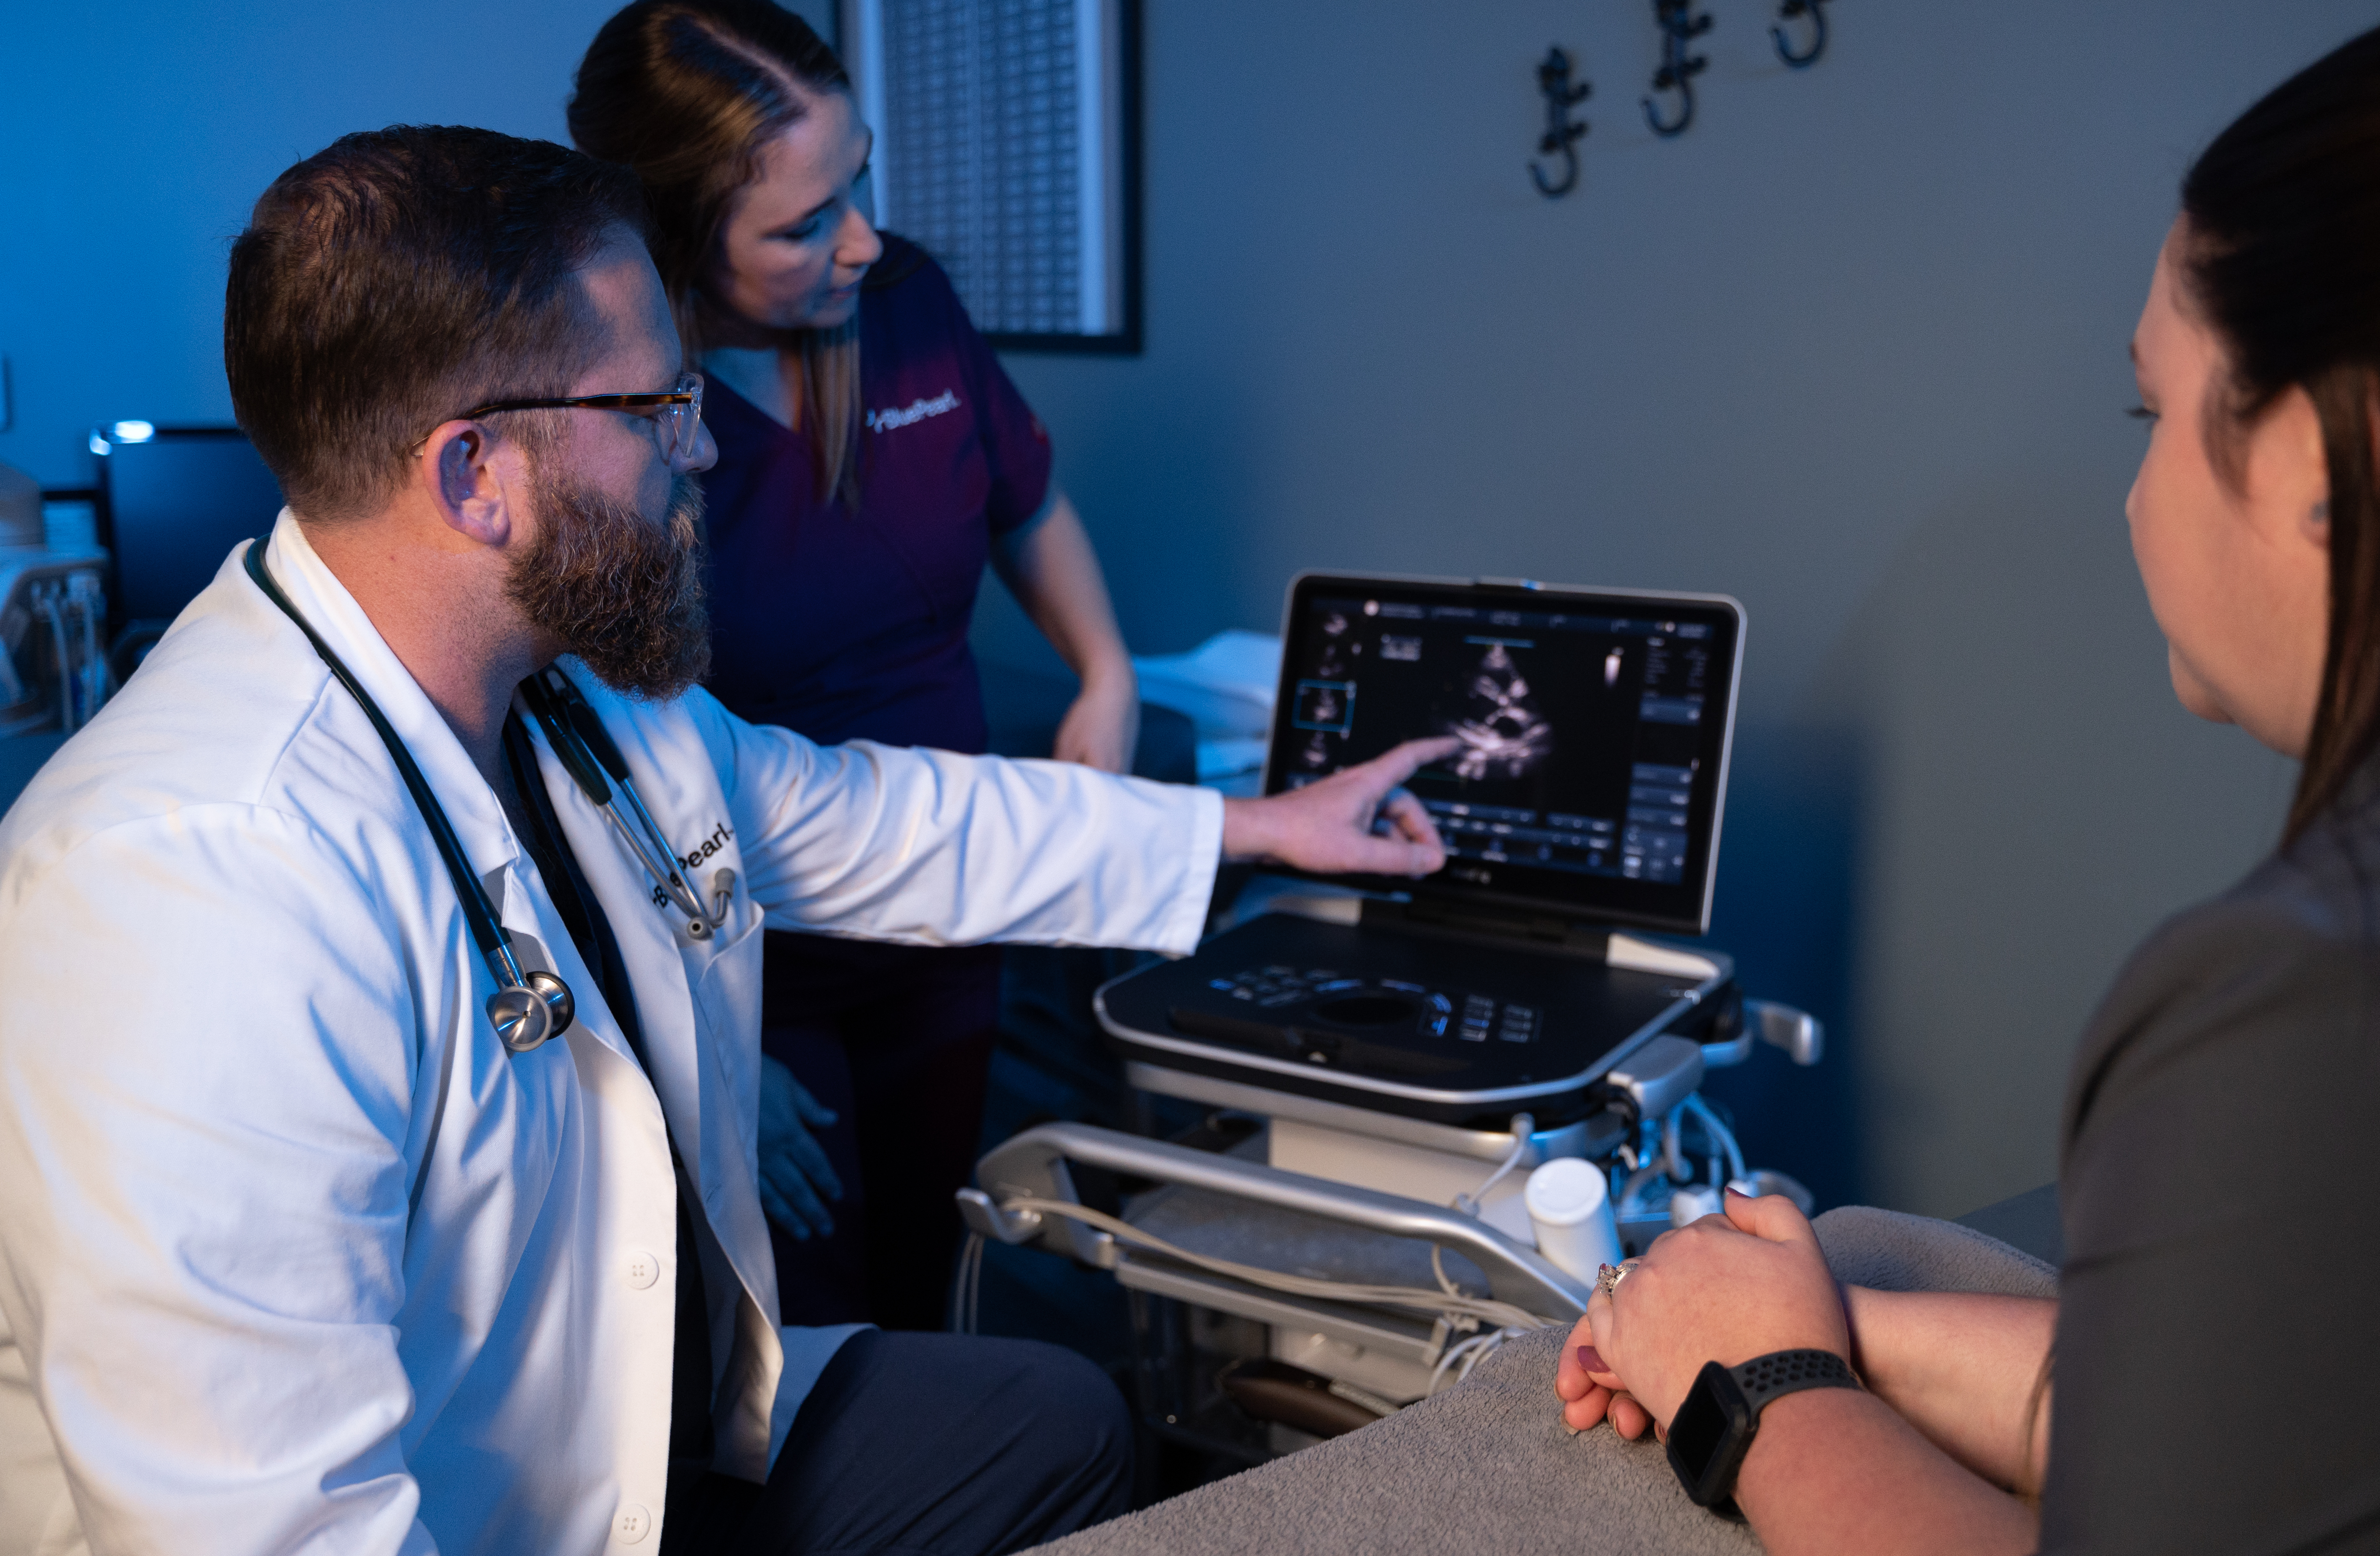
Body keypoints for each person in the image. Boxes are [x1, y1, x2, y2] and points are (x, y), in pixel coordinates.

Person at [0, 123, 1458, 1556]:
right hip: (466, 1522)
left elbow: (892, 820)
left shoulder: (575, 702)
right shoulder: (187, 885)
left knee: (1055, 1419)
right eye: (655, 410)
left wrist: (1258, 828)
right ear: (472, 479)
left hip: (642, 1445)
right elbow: (268, 1525)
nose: (701, 448)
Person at [1550, 0, 2380, 1551]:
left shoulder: (2327, 1003)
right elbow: (2278, 1413)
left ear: (2325, 460)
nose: (2135, 495)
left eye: (2151, 412)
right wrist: (1830, 1329)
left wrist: (1759, 1393)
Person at [565, 0, 1141, 1330]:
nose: (864, 242)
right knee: (800, 1318)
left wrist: (1107, 673)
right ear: (677, 236)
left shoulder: (908, 301)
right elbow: (582, 751)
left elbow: (1024, 500)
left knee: (936, 1269)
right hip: (751, 938)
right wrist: (709, 1036)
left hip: (944, 893)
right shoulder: (615, 419)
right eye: (804, 224)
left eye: (859, 187)